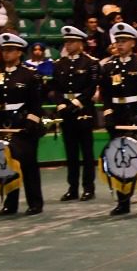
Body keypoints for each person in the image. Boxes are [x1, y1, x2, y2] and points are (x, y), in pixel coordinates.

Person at [0, 32, 45, 215]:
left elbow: (36, 103)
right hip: (1, 125)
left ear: (19, 53)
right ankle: (11, 203)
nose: (6, 54)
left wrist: (30, 122)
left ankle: (35, 202)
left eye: (11, 50)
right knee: (6, 164)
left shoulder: (30, 75)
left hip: (23, 125)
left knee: (29, 165)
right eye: (4, 50)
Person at [100, 23, 137, 216]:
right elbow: (105, 95)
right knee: (119, 160)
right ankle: (123, 202)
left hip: (135, 115)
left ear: (133, 42)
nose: (120, 45)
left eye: (124, 41)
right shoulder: (108, 67)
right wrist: (108, 114)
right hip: (117, 116)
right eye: (118, 41)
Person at [53, 26, 99, 202]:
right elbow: (55, 88)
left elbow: (91, 87)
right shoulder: (59, 64)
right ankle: (72, 187)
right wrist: (60, 104)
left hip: (83, 110)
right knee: (70, 152)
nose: (69, 45)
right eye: (67, 42)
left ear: (80, 43)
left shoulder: (90, 63)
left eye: (72, 42)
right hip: (66, 111)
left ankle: (88, 187)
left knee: (86, 152)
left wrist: (76, 103)